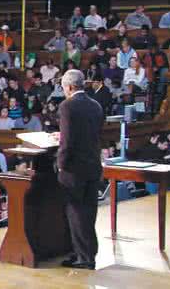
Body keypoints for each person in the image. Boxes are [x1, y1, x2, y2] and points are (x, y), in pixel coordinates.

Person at [58, 69, 104, 270]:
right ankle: (86, 253)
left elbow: (67, 142)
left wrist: (61, 164)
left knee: (76, 213)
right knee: (89, 212)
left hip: (74, 168)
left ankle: (84, 258)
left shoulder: (67, 106)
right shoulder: (95, 105)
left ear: (68, 87)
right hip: (93, 165)